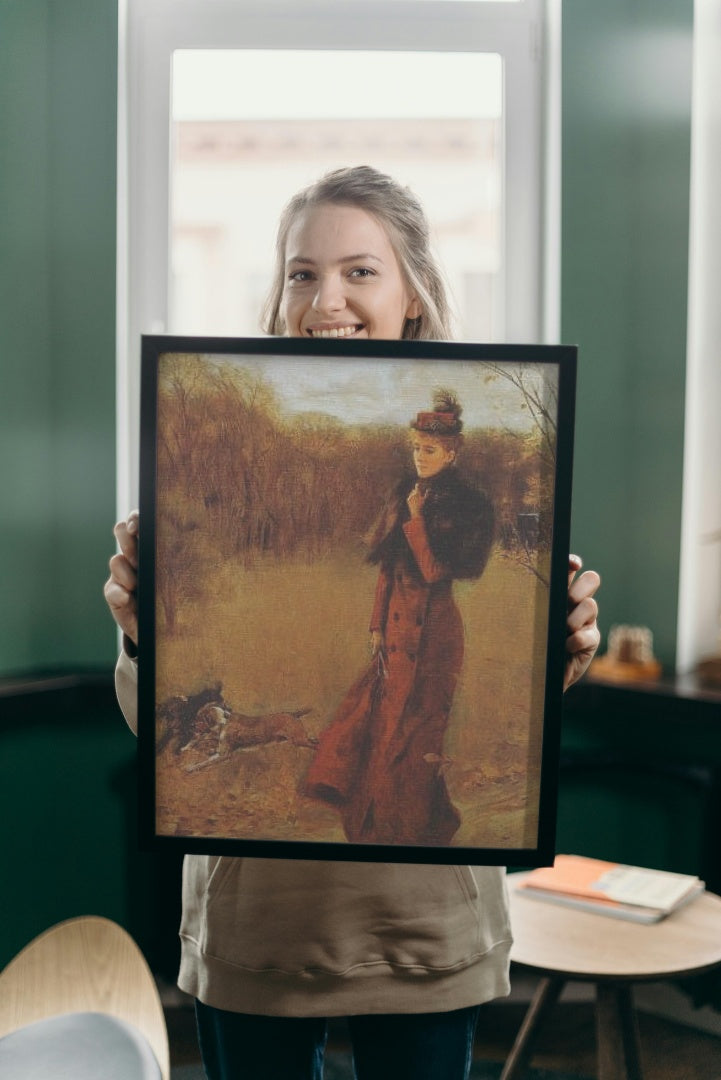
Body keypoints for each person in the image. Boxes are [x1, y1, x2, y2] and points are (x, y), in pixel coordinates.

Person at [105, 166, 601, 1080]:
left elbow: (459, 573)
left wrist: (558, 652)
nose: (324, 297)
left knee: (409, 743)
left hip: (423, 928)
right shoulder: (189, 438)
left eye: (359, 271)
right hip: (257, 929)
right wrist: (144, 638)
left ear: (413, 292)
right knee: (359, 730)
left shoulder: (478, 459)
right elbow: (161, 733)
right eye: (301, 272)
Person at [304, 389, 495, 847]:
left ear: (451, 452)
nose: (420, 457)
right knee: (375, 730)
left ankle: (410, 833)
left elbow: (432, 571)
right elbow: (389, 569)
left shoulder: (467, 505)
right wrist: (374, 625)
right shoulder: (405, 492)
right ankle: (371, 830)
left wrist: (415, 520)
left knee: (416, 739)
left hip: (433, 637)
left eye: (429, 450)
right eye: (415, 448)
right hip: (393, 633)